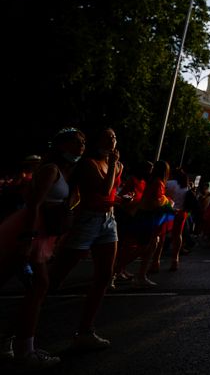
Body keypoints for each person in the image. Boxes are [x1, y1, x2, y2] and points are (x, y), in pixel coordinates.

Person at [0, 128, 84, 370]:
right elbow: (34, 204)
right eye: (76, 142)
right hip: (30, 231)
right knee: (40, 285)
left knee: (29, 284)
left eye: (83, 142)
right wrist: (28, 238)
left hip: (41, 234)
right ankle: (24, 351)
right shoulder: (50, 170)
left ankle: (10, 342)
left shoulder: (66, 173)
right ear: (61, 146)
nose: (81, 146)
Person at [49, 127, 122, 350]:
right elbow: (102, 189)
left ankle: (85, 331)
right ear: (97, 141)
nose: (112, 140)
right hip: (87, 220)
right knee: (57, 275)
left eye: (114, 137)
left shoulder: (116, 164)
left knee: (104, 276)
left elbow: (111, 193)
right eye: (108, 137)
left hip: (108, 221)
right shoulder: (89, 163)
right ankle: (17, 328)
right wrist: (112, 167)